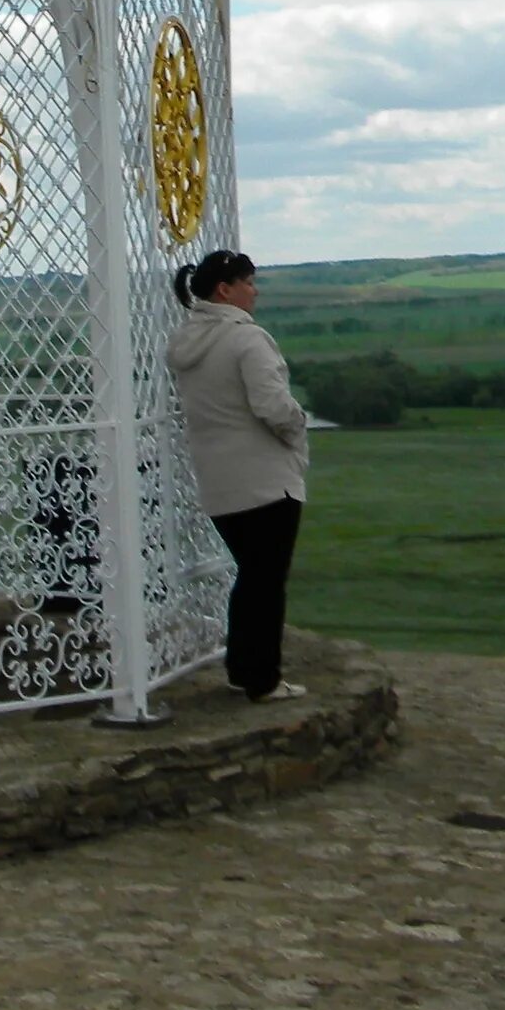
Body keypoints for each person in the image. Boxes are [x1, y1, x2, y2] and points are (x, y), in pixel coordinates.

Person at [167, 249, 311, 702]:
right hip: (266, 478)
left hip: (219, 479)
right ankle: (261, 678)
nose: (255, 290)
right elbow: (271, 405)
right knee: (266, 581)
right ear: (224, 290)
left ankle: (242, 668)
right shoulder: (247, 340)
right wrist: (297, 424)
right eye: (248, 282)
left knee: (251, 576)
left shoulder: (189, 341)